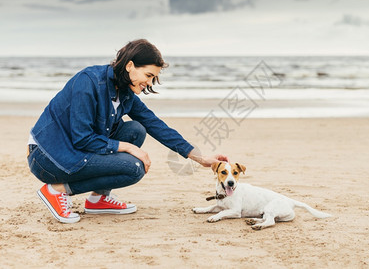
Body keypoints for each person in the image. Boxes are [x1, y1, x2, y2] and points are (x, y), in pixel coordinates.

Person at [27, 39, 229, 223]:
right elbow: (83, 139)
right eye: (148, 75)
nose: (149, 83)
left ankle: (98, 198)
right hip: (48, 157)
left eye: (153, 78)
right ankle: (56, 191)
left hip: (73, 150)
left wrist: (200, 158)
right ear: (130, 65)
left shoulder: (125, 93)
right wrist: (128, 148)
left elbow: (156, 125)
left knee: (136, 129)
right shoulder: (88, 82)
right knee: (134, 167)